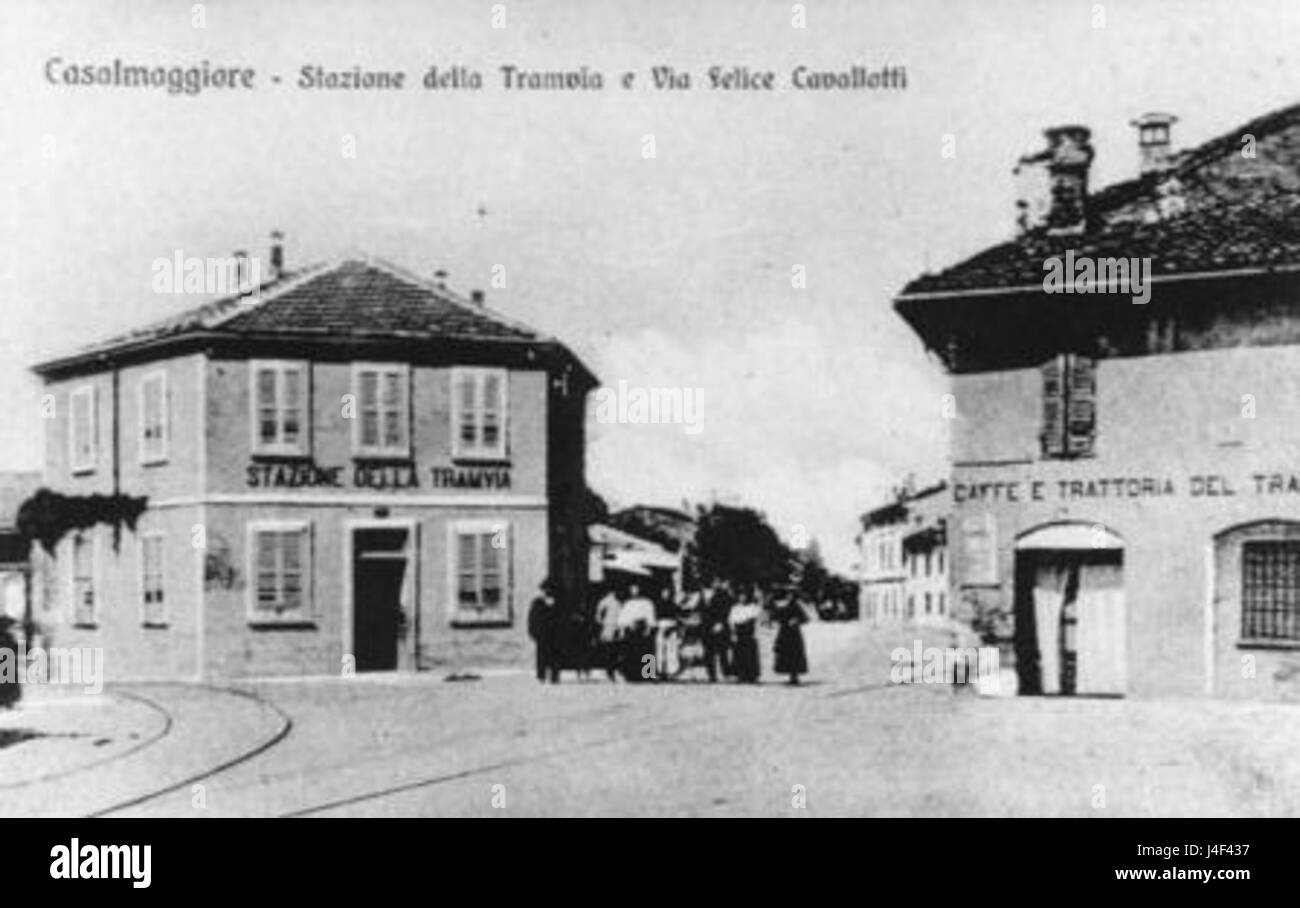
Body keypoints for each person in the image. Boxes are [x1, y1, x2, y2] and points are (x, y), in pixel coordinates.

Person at [617, 583, 658, 682]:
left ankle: (648, 674)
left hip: (643, 628)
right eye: (632, 589)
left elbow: (650, 615)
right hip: (631, 629)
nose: (634, 591)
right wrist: (623, 628)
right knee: (632, 653)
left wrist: (649, 627)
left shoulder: (646, 602)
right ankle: (633, 675)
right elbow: (623, 617)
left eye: (636, 589)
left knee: (647, 651)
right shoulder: (628, 603)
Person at [527, 579, 560, 683]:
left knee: (555, 655)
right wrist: (533, 631)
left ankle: (554, 676)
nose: (547, 591)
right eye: (545, 589)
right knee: (541, 656)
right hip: (542, 633)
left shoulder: (558, 602)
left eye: (550, 589)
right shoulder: (537, 602)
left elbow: (562, 618)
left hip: (555, 633)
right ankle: (541, 675)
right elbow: (532, 618)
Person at [772, 593, 809, 685]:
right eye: (787, 595)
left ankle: (794, 675)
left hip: (794, 633)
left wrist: (796, 620)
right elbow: (775, 616)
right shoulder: (780, 605)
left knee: (794, 653)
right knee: (784, 653)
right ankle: (788, 672)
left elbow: (805, 618)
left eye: (790, 595)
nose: (788, 597)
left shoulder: (796, 605)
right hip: (784, 632)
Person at [702, 580, 734, 682]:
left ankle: (726, 673)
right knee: (708, 652)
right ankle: (712, 675)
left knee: (722, 651)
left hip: (719, 626)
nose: (715, 583)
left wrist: (721, 622)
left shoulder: (724, 595)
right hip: (706, 627)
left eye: (717, 581)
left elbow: (727, 610)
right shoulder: (702, 595)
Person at [728, 586, 762, 684]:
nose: (742, 598)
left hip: (749, 632)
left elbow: (757, 621)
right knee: (739, 653)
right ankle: (740, 674)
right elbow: (732, 621)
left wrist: (756, 632)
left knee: (750, 654)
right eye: (740, 596)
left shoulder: (753, 607)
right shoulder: (735, 608)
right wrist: (733, 633)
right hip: (740, 632)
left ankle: (752, 675)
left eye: (744, 596)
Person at [594, 585, 624, 681]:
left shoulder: (615, 602)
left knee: (611, 650)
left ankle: (611, 670)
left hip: (612, 627)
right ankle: (609, 670)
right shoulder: (608, 602)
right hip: (609, 628)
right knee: (610, 650)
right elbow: (598, 614)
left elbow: (598, 615)